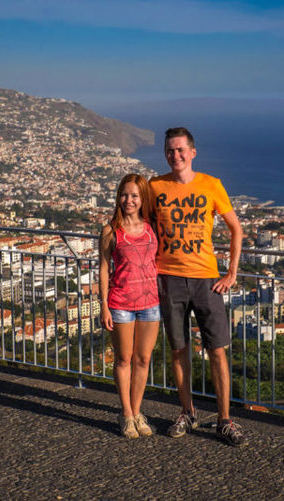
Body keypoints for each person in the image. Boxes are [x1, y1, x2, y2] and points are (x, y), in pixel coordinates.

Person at [149, 127, 248, 447]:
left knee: (217, 351)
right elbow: (145, 229)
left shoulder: (211, 185)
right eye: (169, 151)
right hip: (168, 279)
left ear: (193, 152)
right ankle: (187, 412)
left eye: (180, 150)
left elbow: (236, 229)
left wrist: (231, 272)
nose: (175, 155)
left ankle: (225, 419)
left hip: (207, 281)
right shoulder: (154, 187)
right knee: (179, 350)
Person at [99, 173, 161, 438]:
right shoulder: (111, 231)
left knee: (143, 359)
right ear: (118, 197)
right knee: (124, 359)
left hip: (151, 302)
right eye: (125, 194)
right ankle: (125, 414)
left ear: (142, 198)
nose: (129, 200)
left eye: (135, 195)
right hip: (121, 302)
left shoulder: (152, 226)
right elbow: (103, 269)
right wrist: (103, 305)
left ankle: (137, 412)